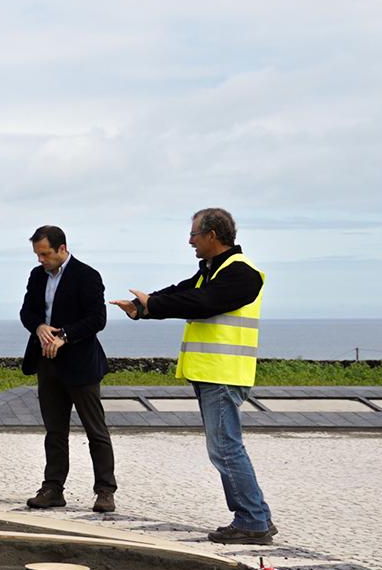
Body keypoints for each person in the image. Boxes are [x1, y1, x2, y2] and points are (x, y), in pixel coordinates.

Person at [110, 207, 274, 543]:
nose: (190, 241)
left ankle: (253, 521)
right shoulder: (211, 271)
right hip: (212, 374)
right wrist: (142, 308)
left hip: (224, 375)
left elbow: (202, 303)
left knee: (225, 448)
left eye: (194, 234)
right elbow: (180, 293)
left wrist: (153, 303)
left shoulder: (242, 274)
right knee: (225, 446)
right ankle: (256, 516)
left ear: (212, 235)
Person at [17, 225, 113, 512]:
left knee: (95, 430)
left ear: (61, 249)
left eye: (45, 254)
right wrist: (39, 327)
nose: (40, 260)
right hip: (47, 364)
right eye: (37, 254)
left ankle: (105, 491)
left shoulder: (87, 276)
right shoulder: (36, 276)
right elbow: (27, 312)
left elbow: (98, 319)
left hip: (81, 364)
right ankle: (53, 488)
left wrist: (65, 336)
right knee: (54, 431)